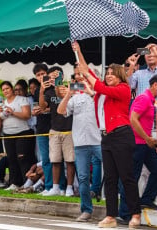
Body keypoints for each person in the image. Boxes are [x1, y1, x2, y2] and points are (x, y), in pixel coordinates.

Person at [78, 60, 141, 228]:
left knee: (126, 177)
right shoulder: (103, 94)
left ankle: (135, 213)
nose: (109, 75)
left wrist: (94, 83)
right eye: (107, 73)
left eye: (112, 73)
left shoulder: (123, 89)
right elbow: (87, 72)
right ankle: (111, 215)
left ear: (120, 76)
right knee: (111, 179)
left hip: (121, 135)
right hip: (106, 137)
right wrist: (78, 51)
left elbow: (98, 85)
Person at [57, 42, 102, 222]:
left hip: (99, 140)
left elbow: (86, 69)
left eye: (83, 77)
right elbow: (61, 111)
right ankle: (86, 210)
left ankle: (112, 203)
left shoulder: (99, 93)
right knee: (82, 177)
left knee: (110, 172)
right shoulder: (76, 97)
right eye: (77, 77)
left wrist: (80, 52)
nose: (80, 79)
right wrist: (68, 93)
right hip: (81, 143)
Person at [119, 74, 157, 222]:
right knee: (132, 176)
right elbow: (133, 119)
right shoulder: (144, 98)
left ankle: (146, 199)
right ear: (155, 86)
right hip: (137, 143)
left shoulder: (153, 100)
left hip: (146, 143)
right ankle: (125, 212)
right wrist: (147, 138)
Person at [0, 81, 36, 191]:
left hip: (22, 132)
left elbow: (27, 115)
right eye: (3, 90)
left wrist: (12, 112)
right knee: (11, 159)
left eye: (7, 88)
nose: (6, 91)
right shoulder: (1, 103)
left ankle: (26, 182)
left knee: (22, 158)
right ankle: (14, 182)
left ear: (12, 89)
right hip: (8, 134)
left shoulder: (21, 99)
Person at [39, 67, 73, 197]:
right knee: (55, 160)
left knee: (70, 160)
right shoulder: (48, 92)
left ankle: (69, 188)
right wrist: (42, 90)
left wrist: (68, 93)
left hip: (69, 129)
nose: (54, 79)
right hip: (54, 129)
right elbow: (42, 107)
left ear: (62, 76)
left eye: (57, 76)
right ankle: (55, 187)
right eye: (52, 76)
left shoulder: (68, 89)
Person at [31, 63, 53, 195]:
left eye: (43, 74)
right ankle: (48, 186)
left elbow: (58, 107)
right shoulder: (37, 91)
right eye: (38, 75)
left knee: (56, 159)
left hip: (54, 127)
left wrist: (45, 109)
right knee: (45, 159)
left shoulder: (55, 88)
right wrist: (35, 111)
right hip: (41, 128)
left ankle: (57, 186)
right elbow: (35, 109)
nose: (41, 77)